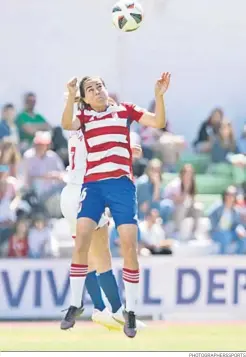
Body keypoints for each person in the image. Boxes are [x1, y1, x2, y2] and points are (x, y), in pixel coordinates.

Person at [61, 72, 170, 338]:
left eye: (100, 86)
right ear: (84, 99)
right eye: (91, 89)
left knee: (106, 248)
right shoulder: (85, 120)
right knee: (97, 252)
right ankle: (98, 307)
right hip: (89, 186)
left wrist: (158, 97)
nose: (98, 90)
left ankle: (116, 309)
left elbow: (157, 122)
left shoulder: (119, 112)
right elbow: (69, 123)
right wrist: (69, 98)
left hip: (93, 187)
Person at [60, 125, 145, 331]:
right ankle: (117, 311)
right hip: (85, 192)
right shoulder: (93, 127)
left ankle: (99, 309)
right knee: (103, 256)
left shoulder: (75, 128)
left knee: (85, 256)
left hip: (68, 194)